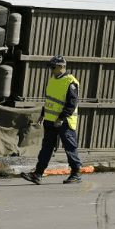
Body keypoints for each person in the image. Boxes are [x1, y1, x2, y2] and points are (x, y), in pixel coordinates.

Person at [21, 55, 83, 185]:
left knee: (70, 147)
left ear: (61, 67)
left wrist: (61, 118)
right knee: (46, 147)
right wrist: (43, 114)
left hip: (64, 121)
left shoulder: (70, 82)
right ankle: (37, 174)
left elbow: (71, 104)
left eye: (53, 68)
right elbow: (50, 100)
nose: (51, 70)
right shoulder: (52, 80)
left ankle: (76, 173)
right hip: (50, 121)